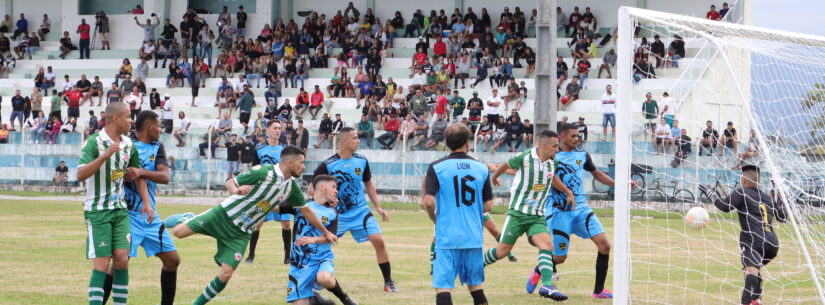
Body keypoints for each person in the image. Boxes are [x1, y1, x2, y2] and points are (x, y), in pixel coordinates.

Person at [163, 146, 337, 305]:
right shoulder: (264, 172)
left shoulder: (291, 187)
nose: (304, 167)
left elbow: (306, 211)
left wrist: (325, 232)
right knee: (178, 232)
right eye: (301, 163)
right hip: (224, 215)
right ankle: (187, 217)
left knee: (226, 274)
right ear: (290, 162)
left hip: (241, 233)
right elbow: (230, 181)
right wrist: (235, 191)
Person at [525, 124, 630, 300]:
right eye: (573, 136)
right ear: (562, 137)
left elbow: (597, 174)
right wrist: (565, 193)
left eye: (578, 136)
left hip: (581, 209)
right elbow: (545, 178)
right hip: (559, 212)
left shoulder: (582, 155)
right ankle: (538, 270)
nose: (576, 139)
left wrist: (619, 184)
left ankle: (599, 291)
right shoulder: (551, 155)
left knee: (604, 245)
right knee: (559, 258)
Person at [97, 111, 179, 305]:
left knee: (173, 260)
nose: (160, 130)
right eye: (158, 126)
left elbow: (165, 177)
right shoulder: (126, 145)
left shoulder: (158, 147)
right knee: (119, 263)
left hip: (149, 215)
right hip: (126, 214)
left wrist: (141, 171)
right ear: (149, 126)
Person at [484, 130, 574, 301]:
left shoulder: (552, 163)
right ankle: (477, 265)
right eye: (555, 146)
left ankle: (547, 286)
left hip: (536, 215)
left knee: (547, 246)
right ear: (544, 145)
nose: (557, 149)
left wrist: (568, 191)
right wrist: (495, 177)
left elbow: (552, 178)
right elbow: (505, 164)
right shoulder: (525, 157)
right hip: (518, 213)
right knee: (502, 252)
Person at [77, 102, 152, 305]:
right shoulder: (94, 142)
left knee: (122, 260)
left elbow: (138, 175)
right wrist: (104, 156)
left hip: (120, 210)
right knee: (102, 263)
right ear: (116, 118)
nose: (131, 121)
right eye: (128, 117)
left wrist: (147, 203)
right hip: (98, 212)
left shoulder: (128, 144)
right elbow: (80, 174)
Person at [314, 127, 398, 292]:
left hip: (361, 212)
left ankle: (388, 282)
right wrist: (326, 200)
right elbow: (312, 188)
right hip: (338, 215)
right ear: (344, 140)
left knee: (379, 241)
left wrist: (378, 207)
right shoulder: (328, 165)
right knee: (320, 245)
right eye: (354, 138)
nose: (358, 141)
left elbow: (368, 184)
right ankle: (314, 280)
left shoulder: (362, 161)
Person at [421, 124, 492, 305]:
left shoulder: (437, 167)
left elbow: (428, 202)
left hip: (447, 237)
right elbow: (488, 206)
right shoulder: (481, 168)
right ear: (467, 143)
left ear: (446, 143)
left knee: (443, 288)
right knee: (477, 288)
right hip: (473, 237)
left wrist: (434, 218)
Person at [710, 165, 786, 305]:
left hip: (754, 239)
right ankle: (756, 300)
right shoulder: (767, 198)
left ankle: (745, 301)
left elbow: (726, 207)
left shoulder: (742, 192)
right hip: (772, 244)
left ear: (744, 180)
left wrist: (712, 196)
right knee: (752, 269)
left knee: (751, 270)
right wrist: (780, 198)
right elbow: (783, 217)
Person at [284, 175, 359, 305]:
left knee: (324, 278)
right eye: (334, 187)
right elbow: (275, 207)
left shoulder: (332, 213)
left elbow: (331, 238)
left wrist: (313, 240)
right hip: (300, 263)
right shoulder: (301, 205)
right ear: (322, 187)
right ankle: (321, 301)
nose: (336, 191)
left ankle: (345, 298)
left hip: (321, 259)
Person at [244, 120, 292, 264]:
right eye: (275, 128)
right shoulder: (259, 149)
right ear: (268, 130)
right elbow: (254, 170)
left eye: (280, 128)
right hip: (263, 192)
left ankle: (287, 257)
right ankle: (251, 255)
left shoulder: (285, 150)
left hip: (282, 191)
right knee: (257, 223)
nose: (278, 131)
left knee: (286, 223)